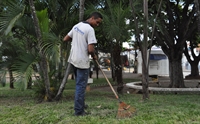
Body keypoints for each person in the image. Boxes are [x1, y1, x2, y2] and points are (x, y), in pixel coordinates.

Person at [63, 12, 103, 116]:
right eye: (97, 22)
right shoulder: (90, 30)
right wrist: (94, 56)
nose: (97, 25)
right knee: (81, 86)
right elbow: (90, 49)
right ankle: (79, 111)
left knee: (79, 84)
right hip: (82, 62)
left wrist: (77, 40)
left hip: (73, 60)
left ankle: (81, 104)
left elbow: (66, 38)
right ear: (92, 18)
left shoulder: (77, 26)